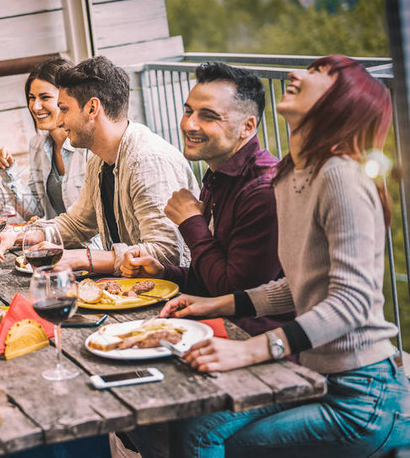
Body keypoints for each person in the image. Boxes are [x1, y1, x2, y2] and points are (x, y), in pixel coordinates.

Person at [152, 56, 410, 457]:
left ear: (342, 103)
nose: (295, 74)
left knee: (203, 437)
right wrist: (218, 303)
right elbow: (301, 284)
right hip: (314, 373)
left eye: (318, 74)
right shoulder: (291, 174)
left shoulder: (340, 174)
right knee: (192, 422)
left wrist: (249, 349)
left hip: (362, 392)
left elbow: (352, 303)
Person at [121, 62, 289, 337]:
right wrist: (163, 273)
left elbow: (232, 294)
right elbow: (210, 279)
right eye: (188, 111)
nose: (189, 124)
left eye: (208, 116)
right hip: (221, 328)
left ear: (247, 127)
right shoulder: (219, 174)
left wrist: (191, 222)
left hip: (257, 341)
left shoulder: (263, 191)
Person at [0, 56, 199, 274]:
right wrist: (20, 237)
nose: (60, 121)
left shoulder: (148, 161)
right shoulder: (99, 159)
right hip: (130, 288)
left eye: (65, 109)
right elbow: (76, 224)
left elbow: (166, 253)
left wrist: (80, 258)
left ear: (92, 109)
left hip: (178, 296)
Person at [0, 58, 89, 220]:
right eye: (32, 97)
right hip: (55, 241)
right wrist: (8, 172)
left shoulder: (87, 147)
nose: (35, 106)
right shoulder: (37, 144)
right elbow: (34, 213)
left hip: (90, 244)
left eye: (45, 97)